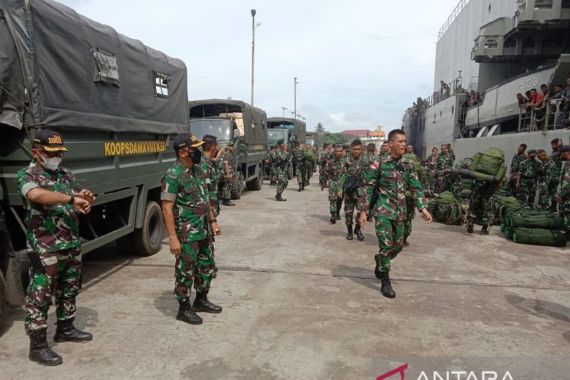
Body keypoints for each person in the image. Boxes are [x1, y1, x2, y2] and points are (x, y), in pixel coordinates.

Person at [17, 129, 95, 366]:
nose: (57, 156)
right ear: (36, 152)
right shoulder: (27, 175)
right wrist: (71, 199)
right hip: (45, 247)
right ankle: (38, 346)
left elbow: (74, 198)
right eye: (52, 152)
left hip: (70, 243)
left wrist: (83, 199)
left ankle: (66, 328)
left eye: (60, 151)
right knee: (40, 296)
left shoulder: (66, 174)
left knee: (69, 289)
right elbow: (37, 195)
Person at [161, 134, 222, 327]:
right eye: (193, 148)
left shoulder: (198, 171)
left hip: (204, 229)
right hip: (186, 233)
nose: (197, 151)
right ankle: (184, 308)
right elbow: (166, 208)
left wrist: (212, 221)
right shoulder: (173, 175)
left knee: (207, 265)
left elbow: (206, 199)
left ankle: (201, 299)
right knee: (185, 270)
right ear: (183, 151)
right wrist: (172, 237)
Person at [364, 129, 432, 298]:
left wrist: (422, 207)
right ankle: (385, 280)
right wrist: (364, 211)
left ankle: (381, 261)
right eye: (400, 141)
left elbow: (416, 188)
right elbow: (369, 188)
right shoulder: (378, 163)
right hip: (383, 212)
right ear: (391, 144)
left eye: (405, 141)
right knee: (386, 246)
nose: (404, 144)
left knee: (398, 246)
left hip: (400, 212)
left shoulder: (407, 166)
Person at [340, 140, 367, 241]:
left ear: (362, 149)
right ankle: (350, 231)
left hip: (361, 191)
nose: (356, 151)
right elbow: (342, 174)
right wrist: (340, 188)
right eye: (354, 149)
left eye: (359, 149)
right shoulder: (346, 160)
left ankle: (358, 229)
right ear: (351, 149)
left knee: (361, 212)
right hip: (349, 191)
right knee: (348, 212)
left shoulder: (366, 161)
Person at [200, 135, 224, 217]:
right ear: (213, 147)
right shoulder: (204, 165)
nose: (218, 149)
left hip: (211, 206)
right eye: (217, 146)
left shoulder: (209, 162)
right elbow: (205, 191)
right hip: (206, 210)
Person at [323, 144, 346, 224]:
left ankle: (337, 213)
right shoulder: (330, 162)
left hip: (343, 183)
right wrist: (323, 182)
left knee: (340, 199)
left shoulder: (346, 162)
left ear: (343, 152)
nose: (339, 153)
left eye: (340, 151)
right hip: (333, 182)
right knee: (333, 199)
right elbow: (325, 172)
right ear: (334, 152)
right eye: (337, 151)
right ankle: (333, 214)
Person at [556, 145, 570, 232]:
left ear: (566, 153)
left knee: (567, 214)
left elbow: (567, 182)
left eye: (561, 154)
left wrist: (561, 195)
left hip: (567, 196)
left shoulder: (569, 164)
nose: (560, 156)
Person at [220, 141, 236, 206]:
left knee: (226, 186)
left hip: (229, 171)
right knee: (228, 186)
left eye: (232, 145)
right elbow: (226, 164)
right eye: (230, 146)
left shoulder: (230, 153)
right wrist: (228, 174)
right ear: (228, 146)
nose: (232, 147)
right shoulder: (227, 154)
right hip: (227, 172)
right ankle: (227, 200)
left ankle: (225, 200)